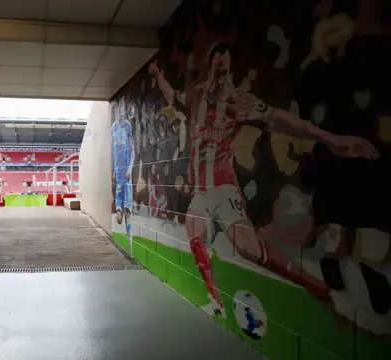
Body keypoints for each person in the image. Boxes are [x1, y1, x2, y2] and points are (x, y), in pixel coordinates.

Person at [149, 43, 379, 317]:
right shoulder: (196, 95)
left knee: (249, 250)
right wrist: (157, 74)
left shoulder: (238, 101)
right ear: (211, 69)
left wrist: (331, 139)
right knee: (193, 233)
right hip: (201, 192)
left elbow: (280, 119)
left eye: (226, 72)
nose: (221, 78)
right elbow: (173, 97)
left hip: (224, 189)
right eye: (218, 71)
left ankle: (319, 289)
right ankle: (216, 304)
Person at [112, 98, 135, 237]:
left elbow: (133, 149)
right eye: (116, 109)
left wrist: (130, 169)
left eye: (121, 109)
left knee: (127, 195)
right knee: (119, 192)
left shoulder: (127, 126)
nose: (119, 112)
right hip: (118, 170)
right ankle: (119, 209)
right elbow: (112, 151)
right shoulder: (113, 128)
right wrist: (113, 170)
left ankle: (127, 215)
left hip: (126, 171)